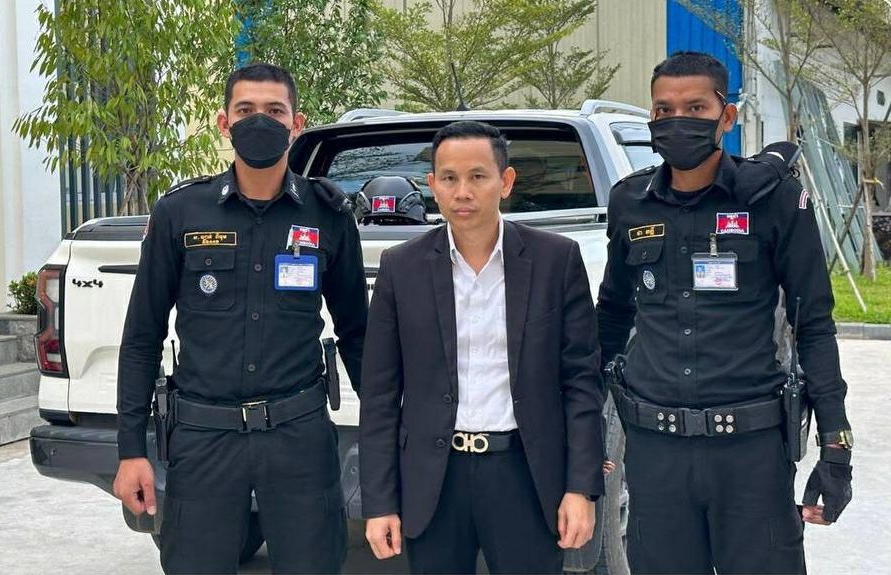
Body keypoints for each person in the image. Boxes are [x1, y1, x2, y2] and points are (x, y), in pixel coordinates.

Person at [597, 51, 853, 574]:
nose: (677, 121)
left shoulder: (773, 199)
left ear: (726, 116)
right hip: (655, 453)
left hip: (751, 453)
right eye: (664, 110)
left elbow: (813, 326)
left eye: (695, 108)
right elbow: (613, 316)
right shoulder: (630, 202)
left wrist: (835, 445)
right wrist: (584, 429)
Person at [112, 62, 367, 574]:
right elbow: (142, 336)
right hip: (204, 439)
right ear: (224, 122)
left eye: (275, 110)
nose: (260, 121)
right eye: (246, 110)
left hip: (299, 439)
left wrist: (387, 440)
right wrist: (130, 450)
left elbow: (358, 335)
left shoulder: (328, 215)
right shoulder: (181, 212)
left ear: (297, 123)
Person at [359, 120, 605, 574]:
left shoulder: (556, 260)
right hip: (435, 479)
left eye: (478, 176)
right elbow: (379, 396)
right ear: (432, 186)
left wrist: (581, 487)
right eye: (449, 178)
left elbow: (582, 382)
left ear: (505, 182)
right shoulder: (402, 268)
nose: (463, 192)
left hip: (525, 473)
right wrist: (380, 501)